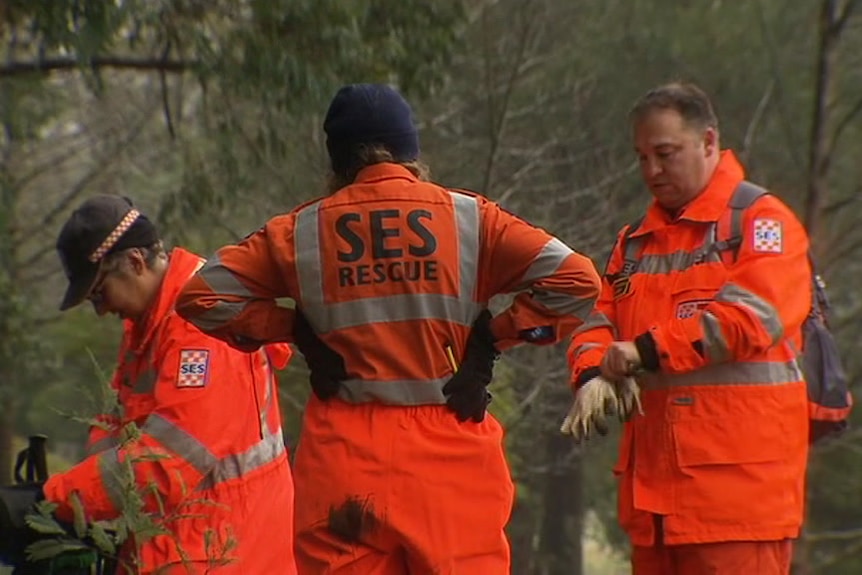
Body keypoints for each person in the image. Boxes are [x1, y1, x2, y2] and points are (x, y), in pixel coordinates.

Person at [175, 82, 602, 574]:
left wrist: (294, 326)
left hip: (343, 467)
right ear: (410, 152)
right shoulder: (471, 219)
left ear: (337, 164)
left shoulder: (301, 230)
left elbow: (201, 295)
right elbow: (577, 281)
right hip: (451, 463)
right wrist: (494, 336)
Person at [566, 82, 811, 574]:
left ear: (708, 142)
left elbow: (747, 320)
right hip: (654, 507)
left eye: (665, 153)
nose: (651, 171)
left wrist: (641, 353)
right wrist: (592, 371)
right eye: (641, 157)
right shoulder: (634, 243)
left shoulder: (762, 224)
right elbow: (596, 319)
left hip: (736, 507)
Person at [41, 195, 298, 574]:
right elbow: (115, 425)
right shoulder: (147, 326)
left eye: (99, 292)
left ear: (135, 262)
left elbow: (167, 463)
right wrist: (87, 507)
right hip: (178, 544)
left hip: (226, 552)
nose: (101, 310)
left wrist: (55, 499)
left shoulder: (200, 326)